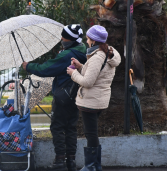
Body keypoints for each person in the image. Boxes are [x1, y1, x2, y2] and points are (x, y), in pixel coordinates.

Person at [22, 24, 87, 171]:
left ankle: (59, 162)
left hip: (63, 95)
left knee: (57, 127)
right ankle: (71, 161)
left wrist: (29, 66)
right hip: (76, 96)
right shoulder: (83, 50)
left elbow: (46, 69)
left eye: (64, 37)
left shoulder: (67, 55)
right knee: (71, 127)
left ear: (70, 39)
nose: (62, 39)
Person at [66, 25, 121, 171]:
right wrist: (80, 67)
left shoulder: (98, 57)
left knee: (91, 134)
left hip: (91, 101)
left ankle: (91, 166)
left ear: (93, 40)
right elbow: (95, 74)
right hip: (98, 99)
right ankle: (95, 165)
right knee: (92, 132)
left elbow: (88, 82)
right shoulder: (105, 53)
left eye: (88, 38)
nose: (86, 40)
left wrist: (73, 74)